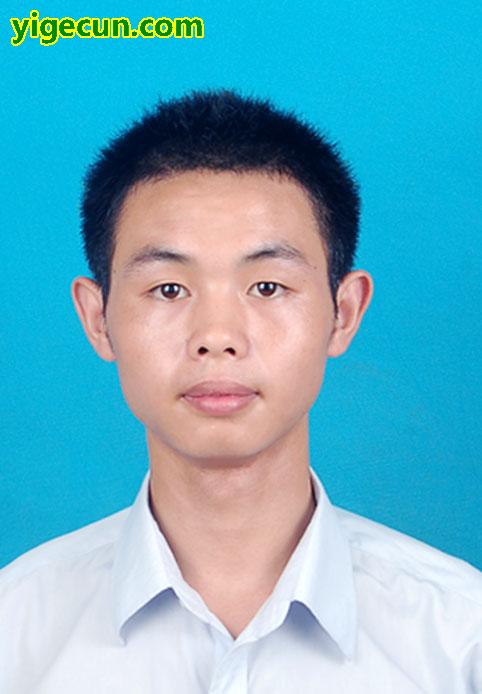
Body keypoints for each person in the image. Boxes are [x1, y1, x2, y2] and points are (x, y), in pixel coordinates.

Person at [0, 89, 480, 694]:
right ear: (98, 319)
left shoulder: (460, 640)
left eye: (268, 287)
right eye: (169, 289)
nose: (217, 337)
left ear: (344, 312)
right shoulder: (15, 633)